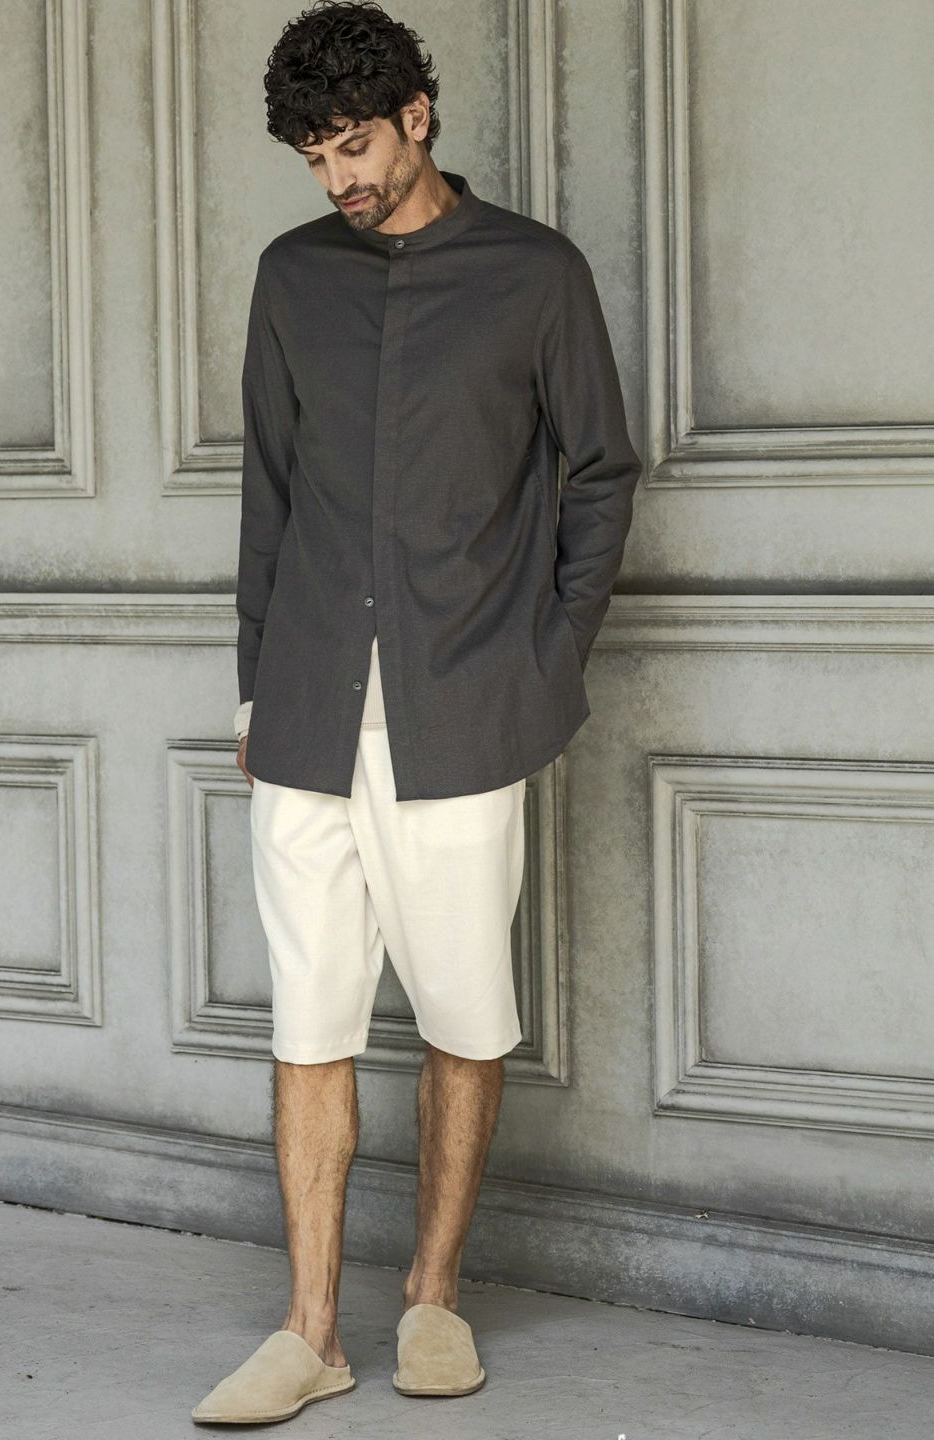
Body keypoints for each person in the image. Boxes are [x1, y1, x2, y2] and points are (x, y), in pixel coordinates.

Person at [192, 0, 642, 1424]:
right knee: (309, 1025)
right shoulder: (292, 277)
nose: (339, 178)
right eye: (316, 157)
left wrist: (548, 662)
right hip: (307, 711)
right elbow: (268, 489)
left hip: (466, 710)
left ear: (418, 117)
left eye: (355, 145)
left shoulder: (536, 275)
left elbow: (601, 473)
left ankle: (433, 1297)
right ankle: (311, 1333)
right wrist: (257, 683)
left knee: (461, 1012)